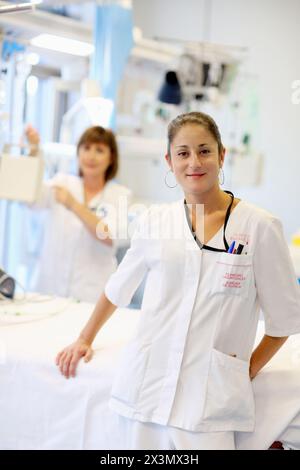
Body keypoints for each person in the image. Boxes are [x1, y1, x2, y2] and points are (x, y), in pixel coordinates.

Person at [55, 112, 300, 449]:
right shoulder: (155, 221)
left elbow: (284, 321)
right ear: (169, 162)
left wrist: (242, 373)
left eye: (204, 150)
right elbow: (117, 288)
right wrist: (84, 338)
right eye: (183, 153)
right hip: (145, 395)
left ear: (221, 155)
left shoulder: (259, 226)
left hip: (209, 408)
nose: (194, 162)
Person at [26, 125, 133, 303]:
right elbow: (30, 198)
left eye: (99, 150)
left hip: (91, 297)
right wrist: (33, 151)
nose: (91, 156)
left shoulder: (120, 195)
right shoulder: (62, 182)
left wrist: (73, 204)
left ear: (111, 158)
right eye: (86, 148)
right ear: (78, 153)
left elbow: (109, 235)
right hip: (49, 290)